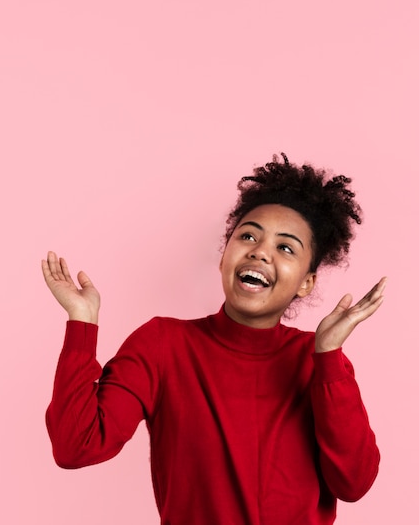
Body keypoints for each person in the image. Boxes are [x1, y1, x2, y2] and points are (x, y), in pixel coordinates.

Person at [42, 153, 384, 525]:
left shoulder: (318, 362)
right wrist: (82, 322)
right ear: (224, 257)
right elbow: (75, 446)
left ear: (306, 282)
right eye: (248, 236)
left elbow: (353, 483)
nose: (259, 251)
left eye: (285, 248)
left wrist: (329, 359)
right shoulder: (162, 344)